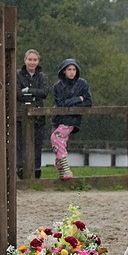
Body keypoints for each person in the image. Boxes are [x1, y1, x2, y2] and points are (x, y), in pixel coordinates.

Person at [50, 58, 92, 180]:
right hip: (58, 118)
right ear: (64, 71)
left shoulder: (83, 84)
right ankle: (62, 174)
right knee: (57, 143)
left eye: (74, 69)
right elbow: (60, 103)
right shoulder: (58, 86)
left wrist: (74, 103)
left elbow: (88, 102)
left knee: (55, 137)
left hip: (72, 119)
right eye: (69, 69)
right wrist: (78, 99)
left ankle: (67, 170)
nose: (72, 72)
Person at [15, 48, 50, 179]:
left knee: (37, 144)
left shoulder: (42, 76)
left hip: (38, 116)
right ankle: (21, 169)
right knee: (19, 144)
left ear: (38, 61)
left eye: (35, 60)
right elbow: (17, 93)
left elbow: (45, 92)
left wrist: (28, 91)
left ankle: (36, 170)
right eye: (30, 59)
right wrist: (34, 94)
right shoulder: (17, 75)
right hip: (20, 116)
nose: (32, 62)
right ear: (25, 60)